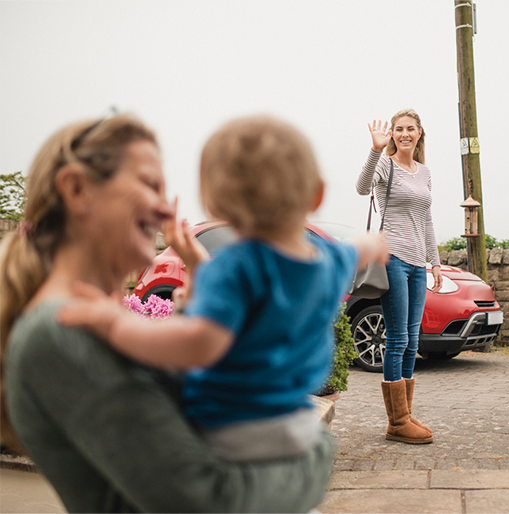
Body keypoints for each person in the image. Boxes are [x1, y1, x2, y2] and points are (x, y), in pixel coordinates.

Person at [0, 113, 357, 513]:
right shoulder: (58, 332)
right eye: (150, 184)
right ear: (78, 188)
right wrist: (318, 451)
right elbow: (208, 502)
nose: (163, 207)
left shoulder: (88, 321)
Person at [59, 114, 389, 465]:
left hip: (230, 429)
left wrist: (116, 324)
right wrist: (374, 243)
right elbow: (360, 249)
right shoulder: (328, 259)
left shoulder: (230, 268)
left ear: (212, 203)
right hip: (294, 425)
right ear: (317, 194)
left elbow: (199, 342)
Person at [355, 108, 442, 445]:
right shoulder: (385, 165)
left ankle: (404, 413)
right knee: (398, 340)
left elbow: (428, 220)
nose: (404, 134)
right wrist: (376, 149)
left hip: (418, 264)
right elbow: (362, 188)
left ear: (420, 133)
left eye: (410, 128)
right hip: (392, 258)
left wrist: (434, 262)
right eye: (398, 129)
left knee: (413, 340)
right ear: (392, 134)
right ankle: (397, 422)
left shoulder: (424, 172)